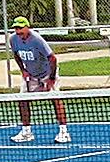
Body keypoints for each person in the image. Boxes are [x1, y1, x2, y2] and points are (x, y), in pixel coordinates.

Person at [8, 16, 70, 144]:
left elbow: (53, 58)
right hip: (31, 75)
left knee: (56, 100)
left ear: (27, 27)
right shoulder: (13, 39)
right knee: (22, 100)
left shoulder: (37, 40)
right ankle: (26, 132)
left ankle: (64, 132)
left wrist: (51, 78)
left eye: (20, 28)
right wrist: (23, 70)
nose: (18, 31)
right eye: (16, 28)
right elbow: (16, 55)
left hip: (48, 73)